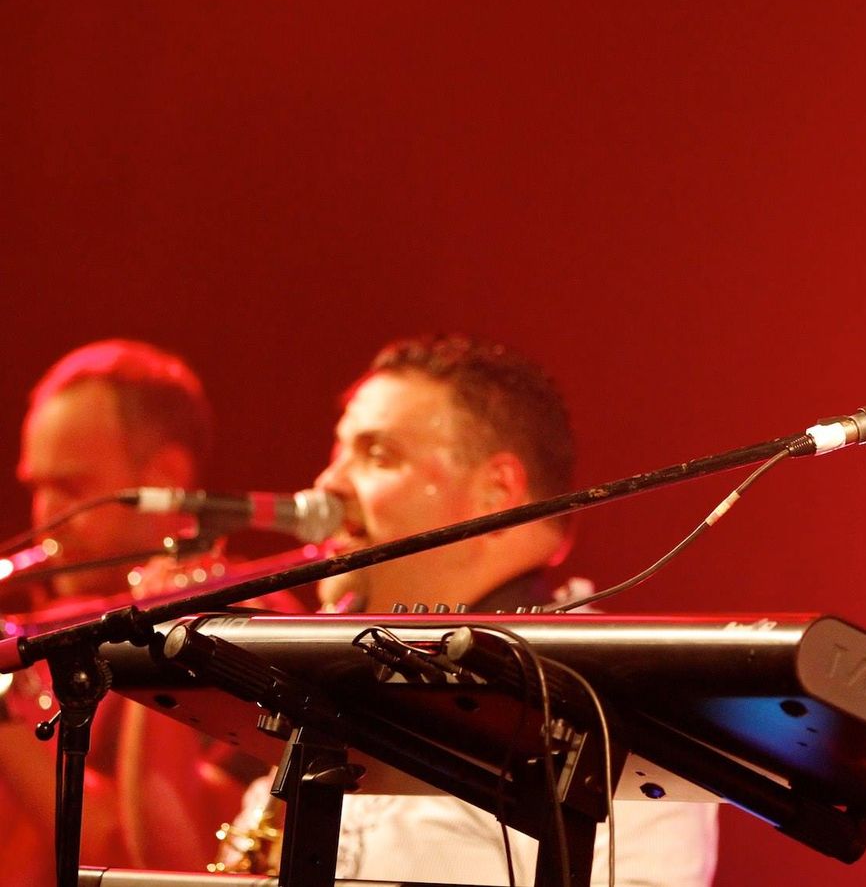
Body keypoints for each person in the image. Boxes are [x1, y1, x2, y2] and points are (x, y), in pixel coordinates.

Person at [300, 334, 718, 886]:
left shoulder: (618, 689)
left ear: (496, 492)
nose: (327, 483)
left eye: (378, 455)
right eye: (339, 451)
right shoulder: (347, 664)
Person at [4, 339, 245, 880]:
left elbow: (152, 857)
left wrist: (4, 717)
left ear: (163, 477)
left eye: (71, 487)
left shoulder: (238, 623)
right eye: (38, 486)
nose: (45, 516)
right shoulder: (53, 619)